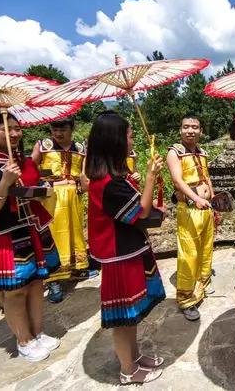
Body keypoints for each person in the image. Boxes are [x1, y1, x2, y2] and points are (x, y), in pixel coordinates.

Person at [0, 111, 61, 361]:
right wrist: (5, 182)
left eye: (17, 128)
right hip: (2, 236)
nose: (15, 134)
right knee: (15, 290)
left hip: (29, 228)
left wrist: (42, 190)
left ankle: (38, 332)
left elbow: (33, 189)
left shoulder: (23, 162)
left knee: (37, 283)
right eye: (6, 130)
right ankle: (24, 339)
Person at [86, 111, 166, 385]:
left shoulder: (114, 177)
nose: (132, 139)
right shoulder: (108, 184)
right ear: (115, 140)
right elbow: (140, 212)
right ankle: (128, 370)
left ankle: (134, 356)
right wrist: (151, 178)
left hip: (129, 251)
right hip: (119, 257)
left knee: (131, 314)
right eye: (129, 134)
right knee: (122, 317)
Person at [32, 117, 97, 304]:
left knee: (75, 232)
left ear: (72, 129)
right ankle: (54, 280)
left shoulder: (81, 147)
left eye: (63, 130)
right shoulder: (43, 145)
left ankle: (76, 268)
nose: (58, 134)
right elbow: (31, 169)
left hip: (74, 195)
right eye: (54, 129)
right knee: (54, 235)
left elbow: (85, 173)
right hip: (52, 196)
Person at [167, 115, 215, 321]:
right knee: (189, 252)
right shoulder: (174, 152)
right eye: (186, 127)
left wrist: (214, 202)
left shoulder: (202, 152)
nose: (190, 131)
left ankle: (202, 284)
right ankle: (186, 298)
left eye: (195, 127)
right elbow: (178, 181)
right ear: (180, 130)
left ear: (201, 131)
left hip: (206, 208)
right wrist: (196, 198)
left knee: (205, 248)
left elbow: (207, 178)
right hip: (189, 208)